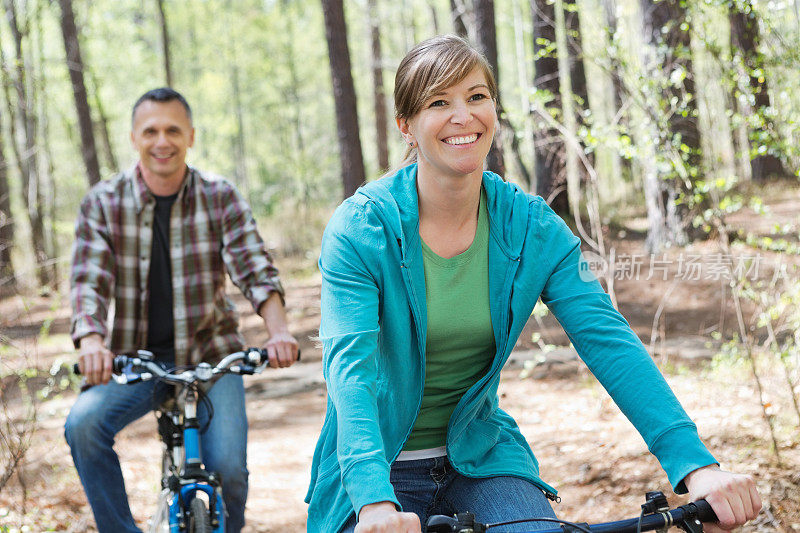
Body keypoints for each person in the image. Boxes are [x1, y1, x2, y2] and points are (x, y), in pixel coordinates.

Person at [305, 36, 761, 533]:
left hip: (480, 459)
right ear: (406, 126)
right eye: (439, 102)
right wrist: (373, 501)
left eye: (477, 97)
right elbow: (351, 371)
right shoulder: (362, 228)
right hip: (371, 472)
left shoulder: (532, 228)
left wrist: (697, 466)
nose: (463, 116)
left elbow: (608, 340)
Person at [64, 87, 299, 533]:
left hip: (212, 356)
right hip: (137, 362)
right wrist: (92, 342)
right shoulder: (103, 202)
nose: (162, 141)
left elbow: (254, 268)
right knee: (82, 425)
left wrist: (279, 332)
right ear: (134, 137)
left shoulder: (219, 196)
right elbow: (88, 282)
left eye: (173, 130)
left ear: (190, 136)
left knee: (228, 470)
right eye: (150, 131)